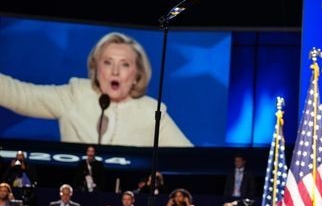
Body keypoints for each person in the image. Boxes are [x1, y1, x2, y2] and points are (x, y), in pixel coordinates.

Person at [0, 32, 193, 147]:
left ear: (137, 75)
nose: (115, 71)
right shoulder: (75, 95)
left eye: (125, 64)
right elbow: (18, 95)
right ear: (96, 68)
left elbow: (190, 161)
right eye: (108, 62)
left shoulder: (152, 112)